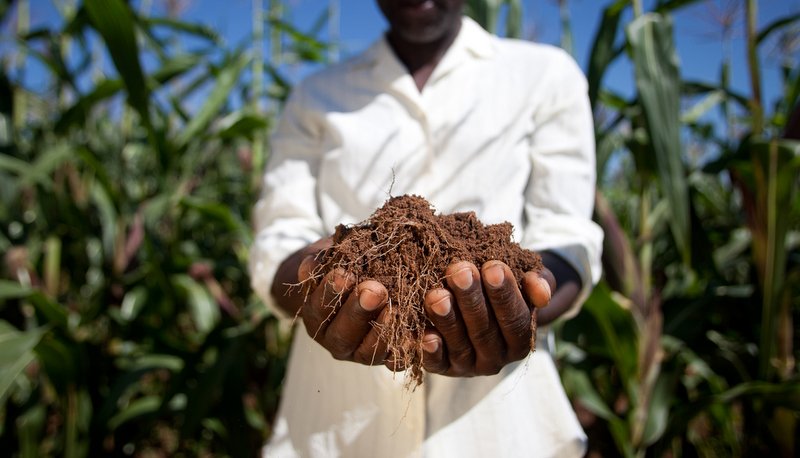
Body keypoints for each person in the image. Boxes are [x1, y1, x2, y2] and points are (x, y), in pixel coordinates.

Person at [249, 0, 603, 456]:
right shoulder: (315, 96)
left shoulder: (546, 75)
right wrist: (315, 278)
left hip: (503, 435)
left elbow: (567, 238)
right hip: (331, 433)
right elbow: (278, 242)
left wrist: (524, 302)